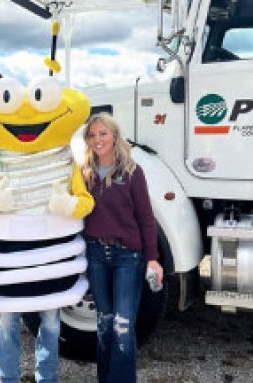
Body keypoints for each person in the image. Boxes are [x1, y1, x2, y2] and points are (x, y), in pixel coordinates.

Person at [81, 113, 163, 383]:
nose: (97, 139)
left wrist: (152, 259)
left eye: (103, 133)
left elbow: (146, 219)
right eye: (92, 135)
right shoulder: (85, 175)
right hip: (95, 255)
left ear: (114, 136)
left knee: (123, 326)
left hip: (127, 256)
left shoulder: (132, 172)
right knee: (104, 324)